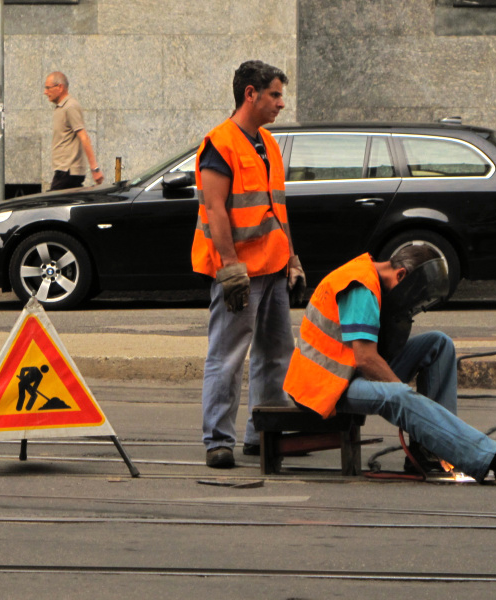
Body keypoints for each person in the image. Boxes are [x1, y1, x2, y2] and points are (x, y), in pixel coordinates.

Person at [283, 246, 496, 482]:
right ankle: (492, 459)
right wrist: (404, 393)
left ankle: (429, 451)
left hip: (347, 370)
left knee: (439, 344)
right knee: (398, 395)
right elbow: (366, 359)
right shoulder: (361, 285)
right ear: (401, 275)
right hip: (324, 385)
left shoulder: (372, 273)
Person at [192, 60, 306, 469]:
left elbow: (279, 208)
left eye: (281, 95)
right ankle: (217, 440)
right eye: (275, 95)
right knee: (227, 355)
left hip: (273, 268)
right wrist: (230, 268)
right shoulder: (220, 144)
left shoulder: (268, 144)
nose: (280, 103)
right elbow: (216, 210)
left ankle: (263, 433)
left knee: (275, 354)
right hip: (240, 273)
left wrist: (292, 259)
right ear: (250, 94)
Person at [43, 71, 104, 191]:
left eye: (48, 88)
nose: (45, 92)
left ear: (60, 87)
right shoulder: (61, 107)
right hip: (64, 170)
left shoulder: (70, 106)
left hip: (68, 170)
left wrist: (95, 169)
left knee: (52, 205)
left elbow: (84, 137)